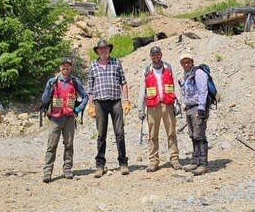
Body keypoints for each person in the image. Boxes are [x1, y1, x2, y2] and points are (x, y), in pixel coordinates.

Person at [87, 39, 131, 178]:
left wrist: (126, 100)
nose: (103, 51)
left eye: (105, 48)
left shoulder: (116, 62)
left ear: (109, 50)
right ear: (97, 51)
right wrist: (90, 105)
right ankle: (100, 165)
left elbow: (123, 82)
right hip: (100, 103)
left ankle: (123, 163)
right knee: (101, 135)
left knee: (120, 133)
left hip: (115, 102)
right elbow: (90, 88)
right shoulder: (93, 65)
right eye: (100, 49)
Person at [41, 57, 88, 183]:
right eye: (63, 65)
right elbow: (44, 100)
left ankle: (67, 169)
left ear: (71, 67)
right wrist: (48, 89)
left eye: (68, 65)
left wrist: (78, 110)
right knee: (51, 146)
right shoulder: (53, 81)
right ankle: (47, 171)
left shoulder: (75, 81)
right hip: (55, 118)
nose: (65, 67)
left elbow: (85, 97)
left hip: (69, 118)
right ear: (59, 67)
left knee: (69, 144)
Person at [137, 46, 182, 172]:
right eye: (153, 55)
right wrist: (140, 108)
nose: (156, 57)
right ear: (150, 56)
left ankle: (174, 159)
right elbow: (142, 90)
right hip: (152, 106)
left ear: (161, 54)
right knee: (152, 135)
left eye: (157, 54)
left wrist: (178, 103)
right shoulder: (146, 70)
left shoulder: (168, 67)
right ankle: (153, 161)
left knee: (171, 132)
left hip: (167, 105)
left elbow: (175, 86)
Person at [179, 53, 210, 175]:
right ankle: (195, 161)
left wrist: (201, 109)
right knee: (193, 135)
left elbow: (203, 91)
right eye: (183, 62)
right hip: (189, 108)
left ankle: (203, 164)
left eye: (188, 62)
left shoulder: (199, 73)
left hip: (198, 107)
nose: (186, 64)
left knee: (200, 135)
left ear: (192, 61)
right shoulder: (186, 75)